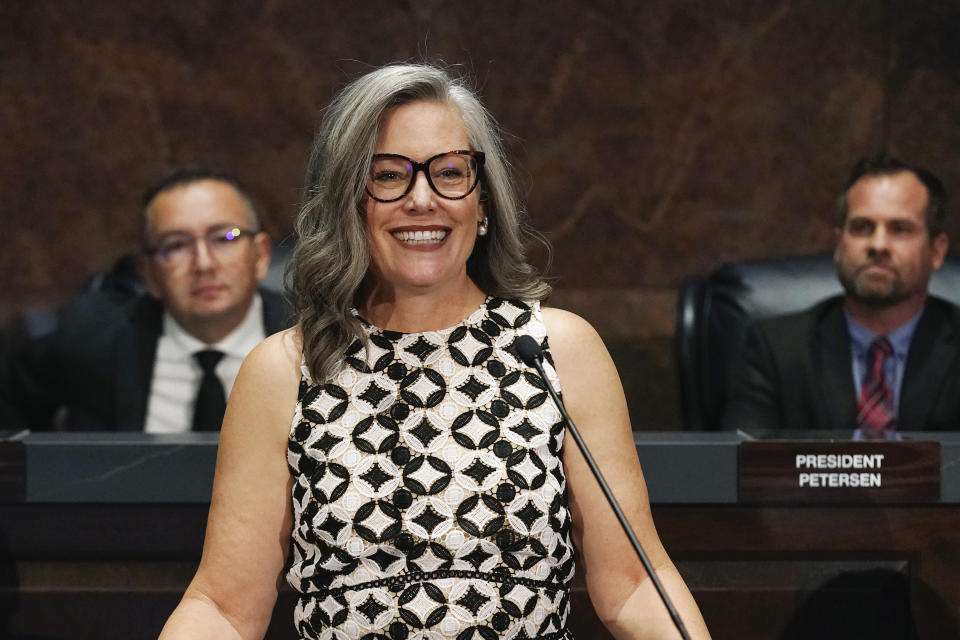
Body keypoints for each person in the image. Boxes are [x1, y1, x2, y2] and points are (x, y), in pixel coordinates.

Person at [158, 64, 710, 639]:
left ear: (484, 202)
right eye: (390, 176)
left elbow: (635, 587)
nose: (423, 200)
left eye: (449, 173)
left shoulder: (556, 349)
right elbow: (223, 607)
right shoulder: (286, 369)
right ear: (350, 202)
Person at [0, 167, 291, 432]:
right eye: (176, 245)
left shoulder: (314, 340)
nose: (204, 264)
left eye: (224, 238)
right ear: (149, 274)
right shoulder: (92, 336)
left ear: (261, 256)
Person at [724, 154, 960, 435]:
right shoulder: (775, 349)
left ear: (936, 251)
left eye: (900, 229)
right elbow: (745, 465)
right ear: (839, 244)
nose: (878, 244)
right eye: (862, 228)